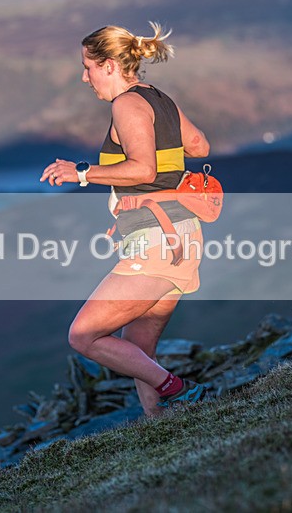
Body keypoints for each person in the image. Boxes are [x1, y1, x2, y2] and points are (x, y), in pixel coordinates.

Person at [40, 22, 210, 417]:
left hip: (156, 239)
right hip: (181, 235)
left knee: (83, 335)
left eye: (88, 67)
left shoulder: (127, 104)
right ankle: (162, 428)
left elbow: (143, 170)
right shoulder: (158, 98)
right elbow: (200, 145)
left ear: (111, 65)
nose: (85, 77)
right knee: (138, 350)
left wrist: (81, 172)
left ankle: (178, 388)